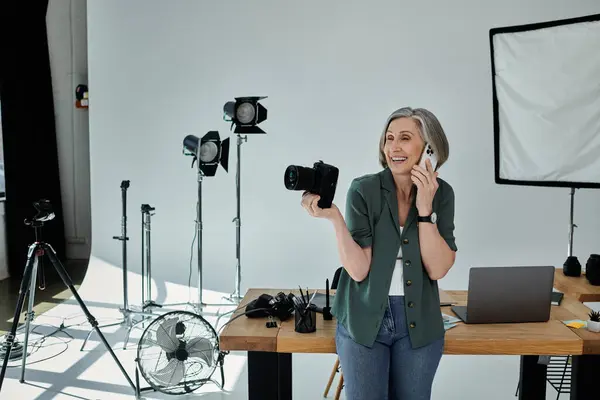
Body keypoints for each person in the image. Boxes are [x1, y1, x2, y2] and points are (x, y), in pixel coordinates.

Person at [301, 107, 457, 399]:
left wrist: (425, 208)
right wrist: (335, 219)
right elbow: (359, 270)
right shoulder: (364, 189)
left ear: (429, 149)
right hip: (364, 317)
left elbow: (437, 269)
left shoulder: (442, 194)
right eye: (389, 138)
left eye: (405, 138)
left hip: (419, 323)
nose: (394, 147)